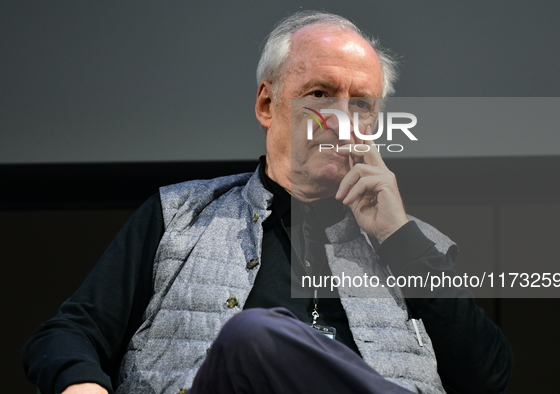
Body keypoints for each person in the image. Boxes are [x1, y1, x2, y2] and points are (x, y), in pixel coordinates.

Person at [22, 11, 512, 394]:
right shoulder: (178, 217)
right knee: (253, 338)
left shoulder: (416, 244)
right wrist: (81, 383)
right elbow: (67, 334)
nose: (340, 120)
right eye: (320, 94)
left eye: (361, 104)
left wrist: (399, 239)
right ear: (266, 105)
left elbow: (488, 378)